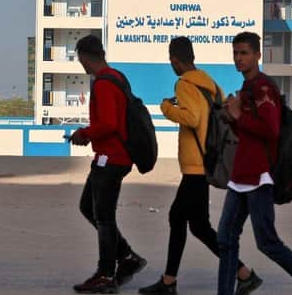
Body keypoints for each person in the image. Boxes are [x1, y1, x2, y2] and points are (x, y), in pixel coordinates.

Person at [139, 36, 261, 295]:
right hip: (209, 160)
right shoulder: (210, 83)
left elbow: (193, 118)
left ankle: (174, 282)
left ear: (174, 59)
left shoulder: (184, 84)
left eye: (170, 60)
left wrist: (166, 107)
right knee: (196, 225)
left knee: (188, 221)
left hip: (195, 166)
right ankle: (237, 273)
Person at [217, 32, 292, 295]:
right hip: (240, 177)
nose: (238, 58)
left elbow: (270, 130)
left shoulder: (263, 88)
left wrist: (238, 115)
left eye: (244, 53)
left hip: (259, 177)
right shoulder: (247, 89)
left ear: (258, 55)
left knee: (267, 242)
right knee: (225, 240)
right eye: (235, 53)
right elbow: (247, 134)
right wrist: (232, 116)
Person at [69, 35, 146, 294]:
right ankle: (127, 257)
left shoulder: (103, 84)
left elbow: (109, 124)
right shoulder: (118, 77)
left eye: (80, 61)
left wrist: (84, 134)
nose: (82, 66)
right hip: (114, 157)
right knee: (88, 207)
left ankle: (106, 274)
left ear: (85, 58)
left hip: (111, 159)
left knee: (104, 217)